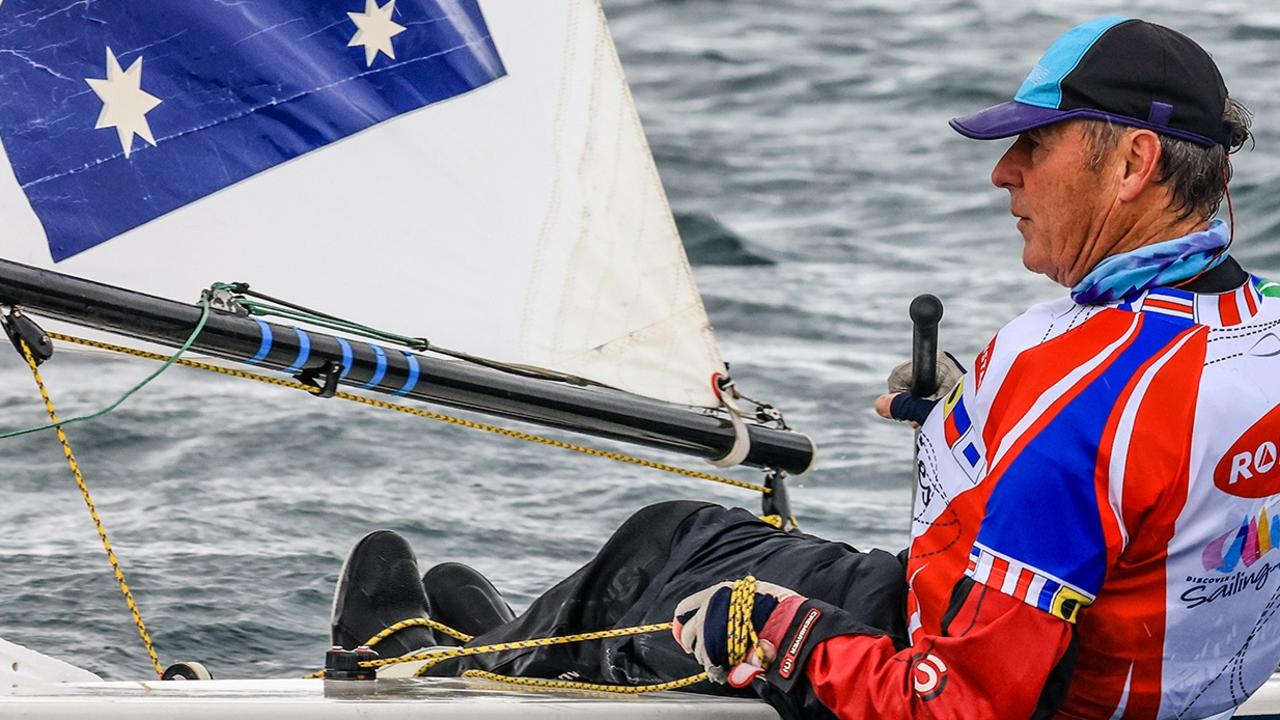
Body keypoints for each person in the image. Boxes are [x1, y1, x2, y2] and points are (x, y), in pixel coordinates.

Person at [329, 17, 1280, 719]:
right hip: (1140, 674)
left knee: (674, 568)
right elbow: (1149, 491)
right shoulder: (1250, 333)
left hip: (972, 668)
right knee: (674, 539)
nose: (1004, 173)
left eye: (1034, 145)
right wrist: (970, 410)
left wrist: (778, 637)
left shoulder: (1089, 406)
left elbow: (964, 707)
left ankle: (419, 675)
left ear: (1135, 163)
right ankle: (512, 649)